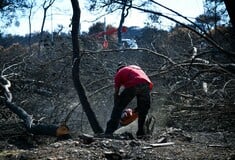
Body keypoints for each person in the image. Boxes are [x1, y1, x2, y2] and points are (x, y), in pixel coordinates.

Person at [105, 64, 153, 137]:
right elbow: (141, 79)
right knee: (143, 111)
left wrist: (117, 105)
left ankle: (109, 132)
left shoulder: (119, 73)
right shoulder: (136, 68)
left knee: (118, 108)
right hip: (146, 85)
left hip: (134, 85)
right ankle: (141, 133)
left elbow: (116, 92)